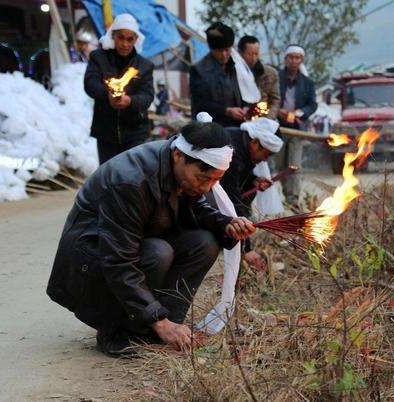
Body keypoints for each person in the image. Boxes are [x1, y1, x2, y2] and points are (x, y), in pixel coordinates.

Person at [47, 120, 256, 356]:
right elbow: (118, 260)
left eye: (215, 181)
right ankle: (118, 332)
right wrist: (159, 321)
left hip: (135, 244)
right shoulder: (130, 181)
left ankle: (160, 328)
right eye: (202, 178)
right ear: (179, 155)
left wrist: (225, 224)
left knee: (204, 244)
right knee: (158, 252)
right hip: (90, 260)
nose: (208, 188)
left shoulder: (182, 171)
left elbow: (195, 206)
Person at [84, 13, 154, 164]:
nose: (125, 44)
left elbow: (147, 96)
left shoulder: (144, 66)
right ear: (113, 36)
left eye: (130, 39)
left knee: (133, 177)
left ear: (136, 39)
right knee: (108, 177)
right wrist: (107, 94)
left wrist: (129, 101)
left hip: (135, 132)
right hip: (105, 132)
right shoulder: (98, 58)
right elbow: (90, 84)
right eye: (121, 37)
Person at [220, 118, 282, 270]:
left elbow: (240, 178)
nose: (263, 161)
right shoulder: (232, 151)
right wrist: (247, 249)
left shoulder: (244, 144)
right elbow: (231, 198)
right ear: (255, 143)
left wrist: (253, 180)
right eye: (265, 155)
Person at [278, 45, 317, 203]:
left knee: (294, 164)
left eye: (297, 58)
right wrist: (279, 111)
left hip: (297, 129)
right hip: (277, 127)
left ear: (301, 60)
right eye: (291, 57)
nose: (294, 61)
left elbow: (312, 105)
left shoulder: (307, 83)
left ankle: (292, 198)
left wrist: (298, 113)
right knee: (280, 165)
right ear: (286, 59)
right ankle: (286, 192)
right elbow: (268, 99)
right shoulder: (276, 78)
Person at [190, 22, 246, 127]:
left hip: (238, 125)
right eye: (220, 51)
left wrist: (246, 107)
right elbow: (200, 103)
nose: (224, 54)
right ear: (211, 49)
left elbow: (247, 91)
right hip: (210, 128)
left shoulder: (238, 67)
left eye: (227, 50)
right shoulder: (199, 70)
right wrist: (226, 111)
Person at [237, 35, 280, 120]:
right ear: (240, 53)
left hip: (263, 118)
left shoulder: (270, 73)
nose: (253, 58)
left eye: (256, 54)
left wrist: (267, 119)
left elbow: (274, 101)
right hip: (238, 117)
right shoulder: (232, 71)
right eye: (249, 54)